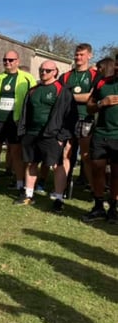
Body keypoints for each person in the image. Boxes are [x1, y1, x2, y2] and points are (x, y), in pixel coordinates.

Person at [14, 61, 75, 210]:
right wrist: (23, 132)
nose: (44, 73)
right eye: (42, 70)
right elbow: (25, 112)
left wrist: (62, 137)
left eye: (48, 70)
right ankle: (28, 194)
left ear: (55, 72)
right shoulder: (33, 90)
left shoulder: (62, 90)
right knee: (31, 163)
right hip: (31, 134)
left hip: (52, 136)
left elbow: (71, 116)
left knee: (57, 166)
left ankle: (59, 199)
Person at [0, 50, 37, 196]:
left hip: (16, 122)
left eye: (11, 60)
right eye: (5, 60)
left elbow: (33, 101)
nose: (8, 63)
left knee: (16, 154)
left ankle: (19, 185)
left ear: (17, 61)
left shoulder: (27, 78)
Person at [57, 43, 100, 199]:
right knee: (66, 154)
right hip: (67, 119)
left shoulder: (95, 76)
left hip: (85, 119)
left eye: (82, 55)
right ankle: (61, 190)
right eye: (76, 54)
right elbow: (58, 94)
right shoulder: (67, 76)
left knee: (86, 157)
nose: (78, 57)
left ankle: (96, 192)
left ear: (89, 56)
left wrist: (69, 97)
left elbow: (92, 97)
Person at [83, 56, 118, 223]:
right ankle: (98, 207)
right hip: (101, 134)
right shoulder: (103, 82)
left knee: (116, 174)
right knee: (98, 170)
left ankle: (113, 208)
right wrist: (101, 103)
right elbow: (89, 107)